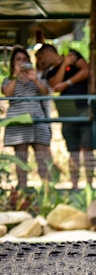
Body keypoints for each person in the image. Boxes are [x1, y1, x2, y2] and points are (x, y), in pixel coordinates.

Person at [37, 44, 94, 190]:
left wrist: (68, 82)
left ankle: (89, 185)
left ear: (48, 52)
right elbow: (55, 85)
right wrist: (63, 65)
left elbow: (86, 70)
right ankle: (74, 186)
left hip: (84, 106)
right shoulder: (49, 72)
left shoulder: (73, 55)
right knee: (72, 150)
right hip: (66, 110)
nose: (40, 62)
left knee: (87, 147)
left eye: (41, 57)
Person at [2, 46, 54, 189]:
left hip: (37, 120)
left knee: (43, 158)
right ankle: (22, 190)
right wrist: (16, 74)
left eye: (25, 59)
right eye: (18, 59)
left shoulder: (36, 77)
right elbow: (8, 94)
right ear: (13, 63)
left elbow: (45, 93)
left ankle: (47, 191)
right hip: (18, 122)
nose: (22, 62)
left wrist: (34, 78)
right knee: (21, 158)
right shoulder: (8, 80)